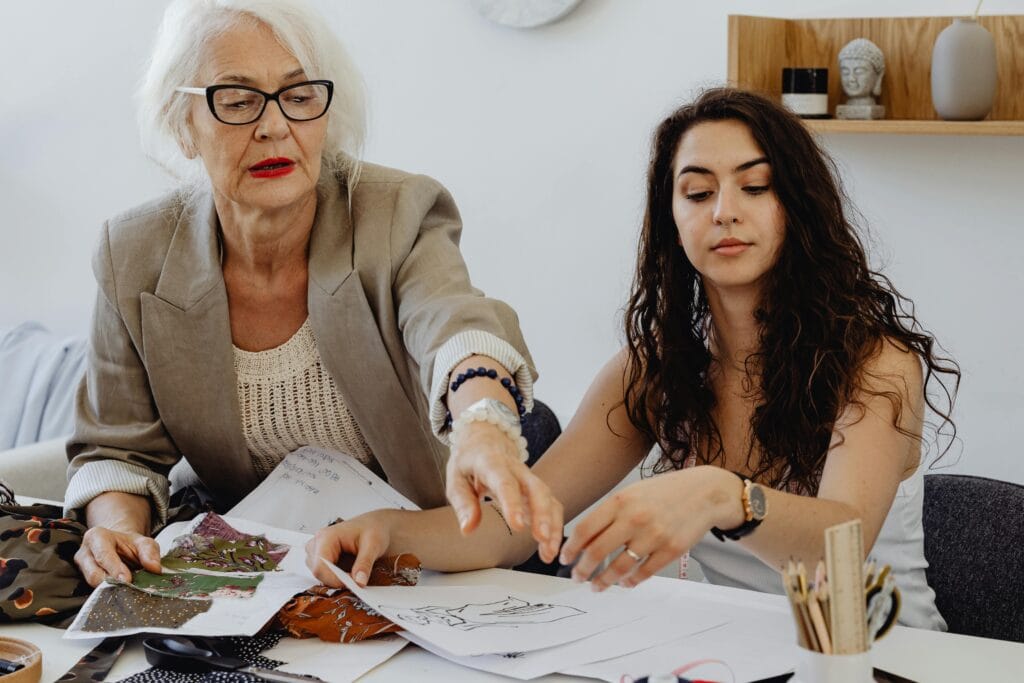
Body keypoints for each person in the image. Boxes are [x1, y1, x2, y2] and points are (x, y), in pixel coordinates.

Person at [307, 88, 959, 630]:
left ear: (797, 206)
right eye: (698, 193)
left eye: (755, 186)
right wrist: (388, 531)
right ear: (671, 218)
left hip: (884, 656)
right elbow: (513, 530)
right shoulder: (650, 373)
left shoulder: (875, 363)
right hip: (726, 653)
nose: (725, 212)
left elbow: (839, 541)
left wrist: (721, 494)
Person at [67, 0, 550, 587]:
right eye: (238, 100)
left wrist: (482, 426)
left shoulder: (397, 211)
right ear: (181, 124)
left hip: (439, 526)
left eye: (298, 97)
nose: (275, 126)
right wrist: (118, 528)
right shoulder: (133, 252)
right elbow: (118, 449)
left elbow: (453, 323)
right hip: (285, 558)